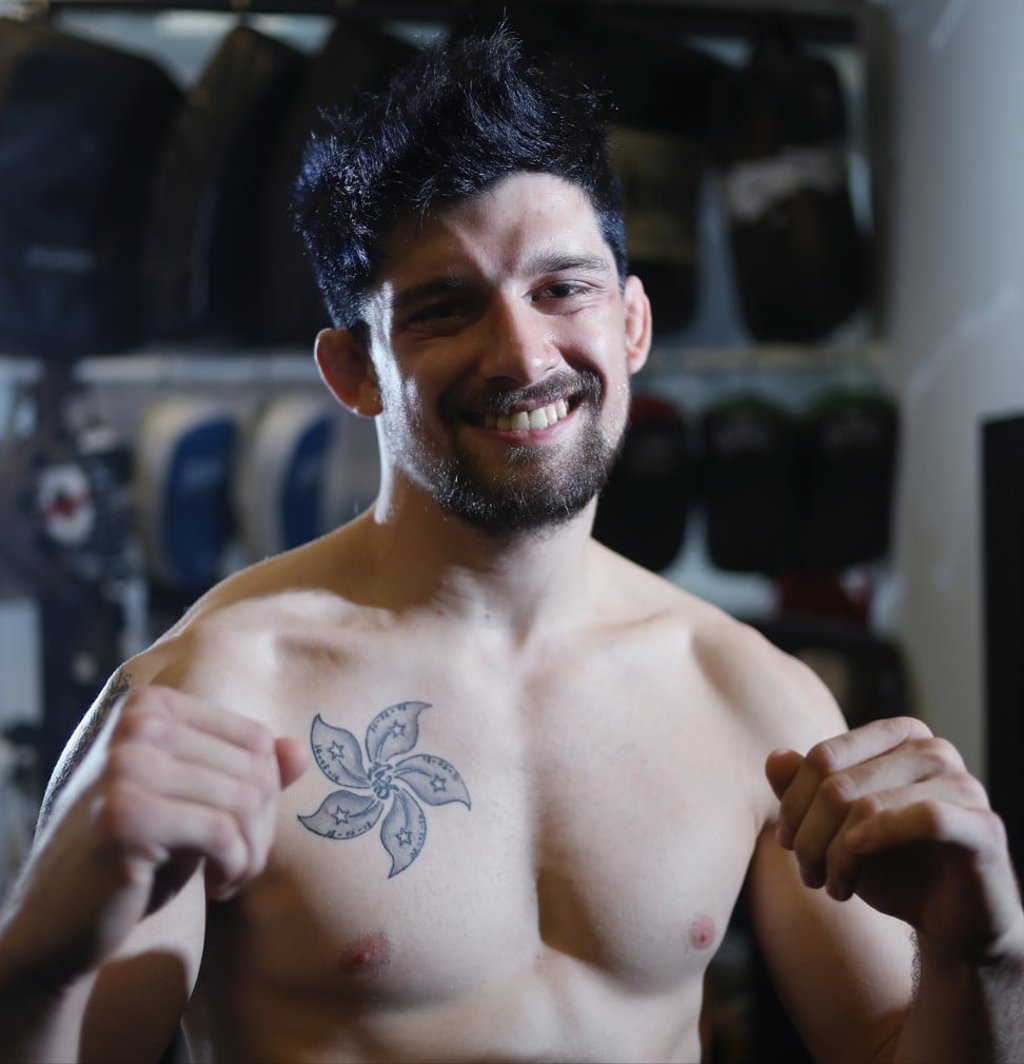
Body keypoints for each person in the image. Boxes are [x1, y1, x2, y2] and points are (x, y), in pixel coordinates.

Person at [1, 26, 1022, 1064]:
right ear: (352, 370)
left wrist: (981, 957)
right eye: (446, 307)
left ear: (631, 324)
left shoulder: (749, 695)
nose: (523, 354)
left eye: (561, 288)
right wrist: (30, 961)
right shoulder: (209, 698)